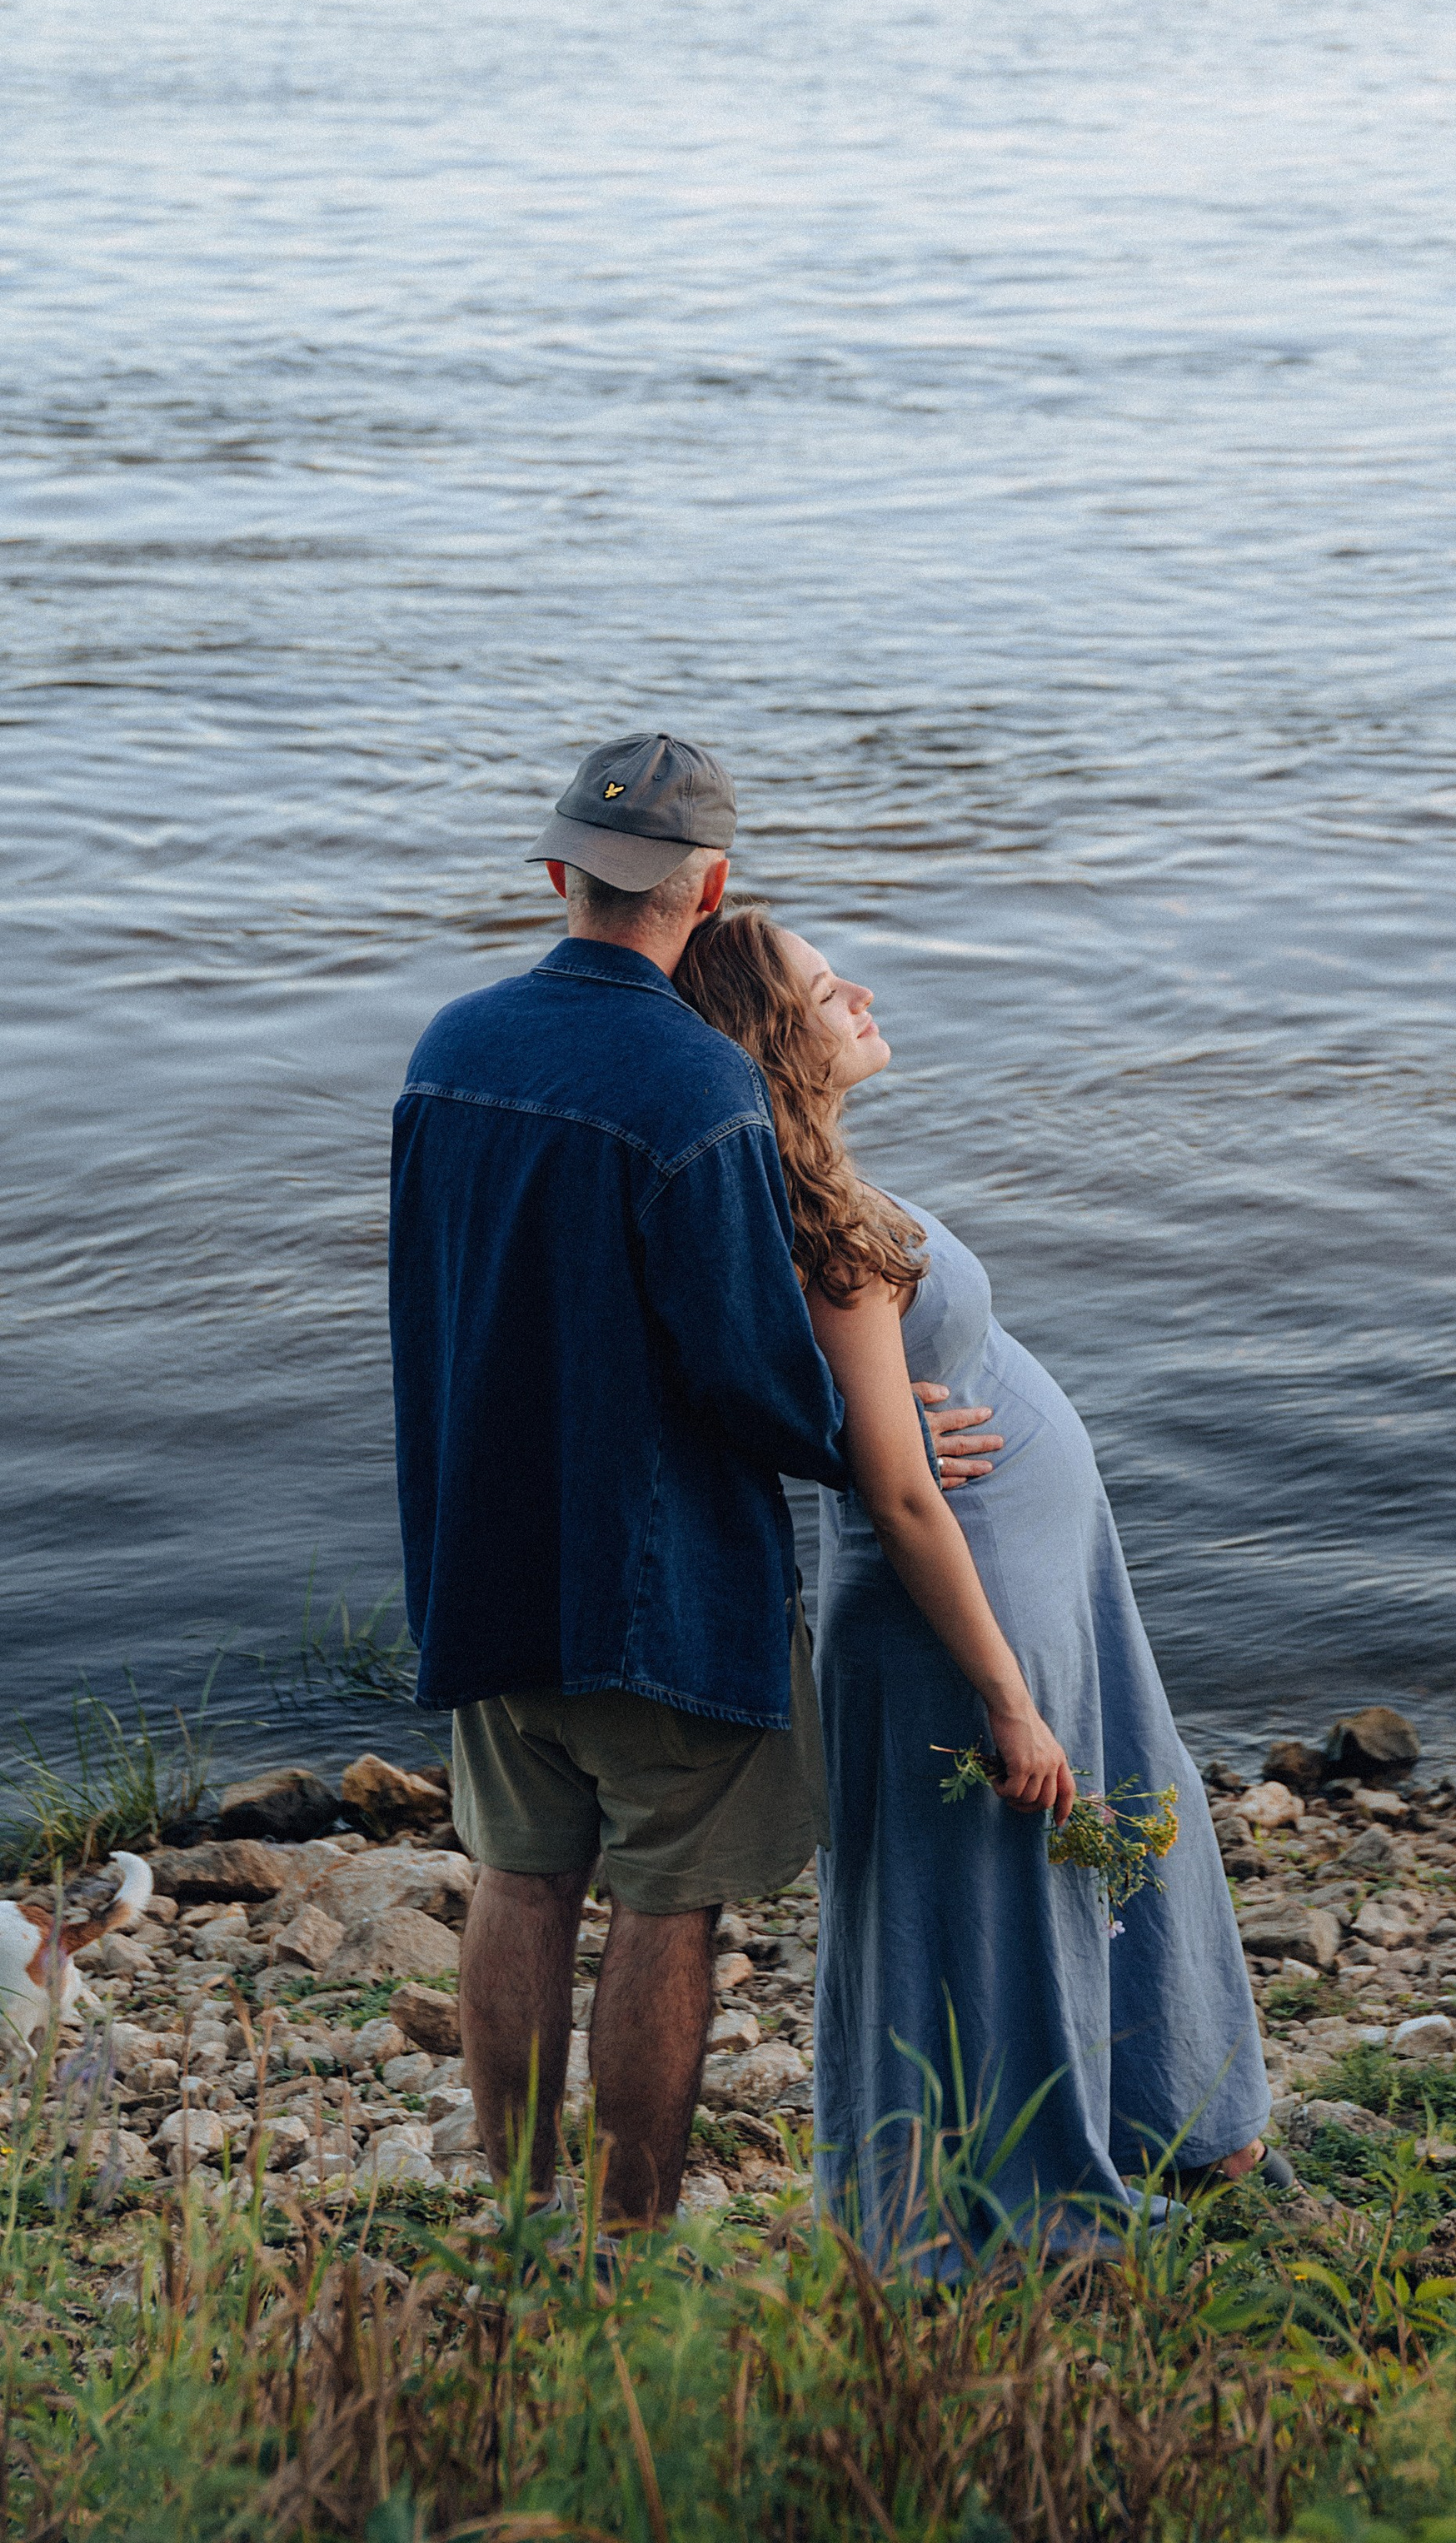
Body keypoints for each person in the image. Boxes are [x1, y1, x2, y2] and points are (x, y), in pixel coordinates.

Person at [389, 732, 1075, 2227]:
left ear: (564, 871)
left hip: (484, 1557)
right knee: (663, 1904)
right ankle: (627, 2242)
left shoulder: (447, 1048)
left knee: (517, 1879)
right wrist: (871, 1447)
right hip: (662, 1586)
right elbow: (752, 1373)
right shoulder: (699, 1088)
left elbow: (427, 1311)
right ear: (707, 890)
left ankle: (514, 2221)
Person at [676, 906, 1284, 2264]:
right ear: (779, 1039)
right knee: (990, 1899)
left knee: (1127, 1808)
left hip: (1047, 1573)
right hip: (965, 1613)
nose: (864, 1000)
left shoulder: (821, 1184)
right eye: (833, 995)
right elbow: (896, 1492)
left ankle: (1178, 2115)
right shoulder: (814, 1227)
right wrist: (1005, 1694)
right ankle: (986, 2209)